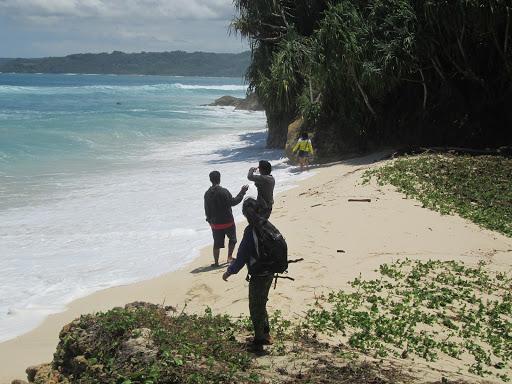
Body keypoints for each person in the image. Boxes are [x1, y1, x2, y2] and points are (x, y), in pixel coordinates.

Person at [222, 198, 273, 352]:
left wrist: (229, 271)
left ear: (245, 214)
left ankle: (259, 340)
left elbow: (242, 256)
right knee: (261, 302)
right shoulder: (267, 225)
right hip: (270, 271)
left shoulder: (250, 231)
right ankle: (266, 334)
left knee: (255, 306)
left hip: (258, 274)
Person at [204, 170, 248, 266]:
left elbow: (206, 209)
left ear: (210, 180)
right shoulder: (224, 191)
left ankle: (216, 263)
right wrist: (242, 193)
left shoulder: (207, 194)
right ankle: (229, 258)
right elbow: (233, 202)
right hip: (228, 222)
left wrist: (209, 221)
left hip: (215, 224)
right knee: (232, 239)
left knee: (217, 243)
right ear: (219, 179)